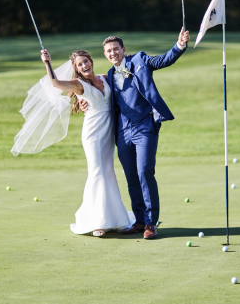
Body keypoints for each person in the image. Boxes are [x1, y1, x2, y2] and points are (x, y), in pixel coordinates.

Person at [80, 28, 190, 240]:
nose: (113, 53)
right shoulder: (109, 75)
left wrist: (180, 46)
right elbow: (91, 88)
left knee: (144, 171)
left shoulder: (140, 60)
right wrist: (83, 102)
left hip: (144, 127)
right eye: (108, 51)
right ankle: (139, 221)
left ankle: (150, 223)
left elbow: (164, 60)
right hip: (122, 132)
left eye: (116, 49)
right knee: (131, 176)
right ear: (105, 55)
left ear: (123, 49)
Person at [39, 49, 134, 237]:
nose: (84, 66)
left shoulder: (104, 78)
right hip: (92, 133)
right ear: (77, 69)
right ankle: (96, 222)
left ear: (91, 61)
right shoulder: (78, 84)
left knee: (108, 170)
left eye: (85, 61)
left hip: (109, 131)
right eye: (80, 64)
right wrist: (47, 62)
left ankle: (117, 219)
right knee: (97, 171)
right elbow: (55, 83)